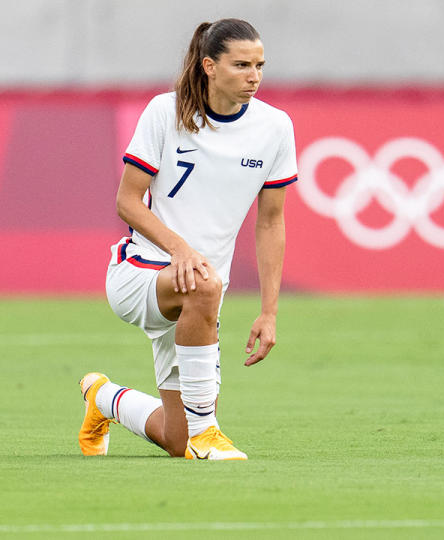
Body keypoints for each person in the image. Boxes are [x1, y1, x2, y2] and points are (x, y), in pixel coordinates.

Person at [77, 18, 298, 461]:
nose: (253, 76)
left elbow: (271, 222)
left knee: (175, 441)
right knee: (203, 283)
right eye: (241, 65)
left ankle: (102, 398)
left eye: (259, 65)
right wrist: (181, 251)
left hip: (200, 300)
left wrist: (269, 312)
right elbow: (128, 202)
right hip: (140, 274)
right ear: (209, 66)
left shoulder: (275, 127)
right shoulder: (166, 111)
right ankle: (208, 433)